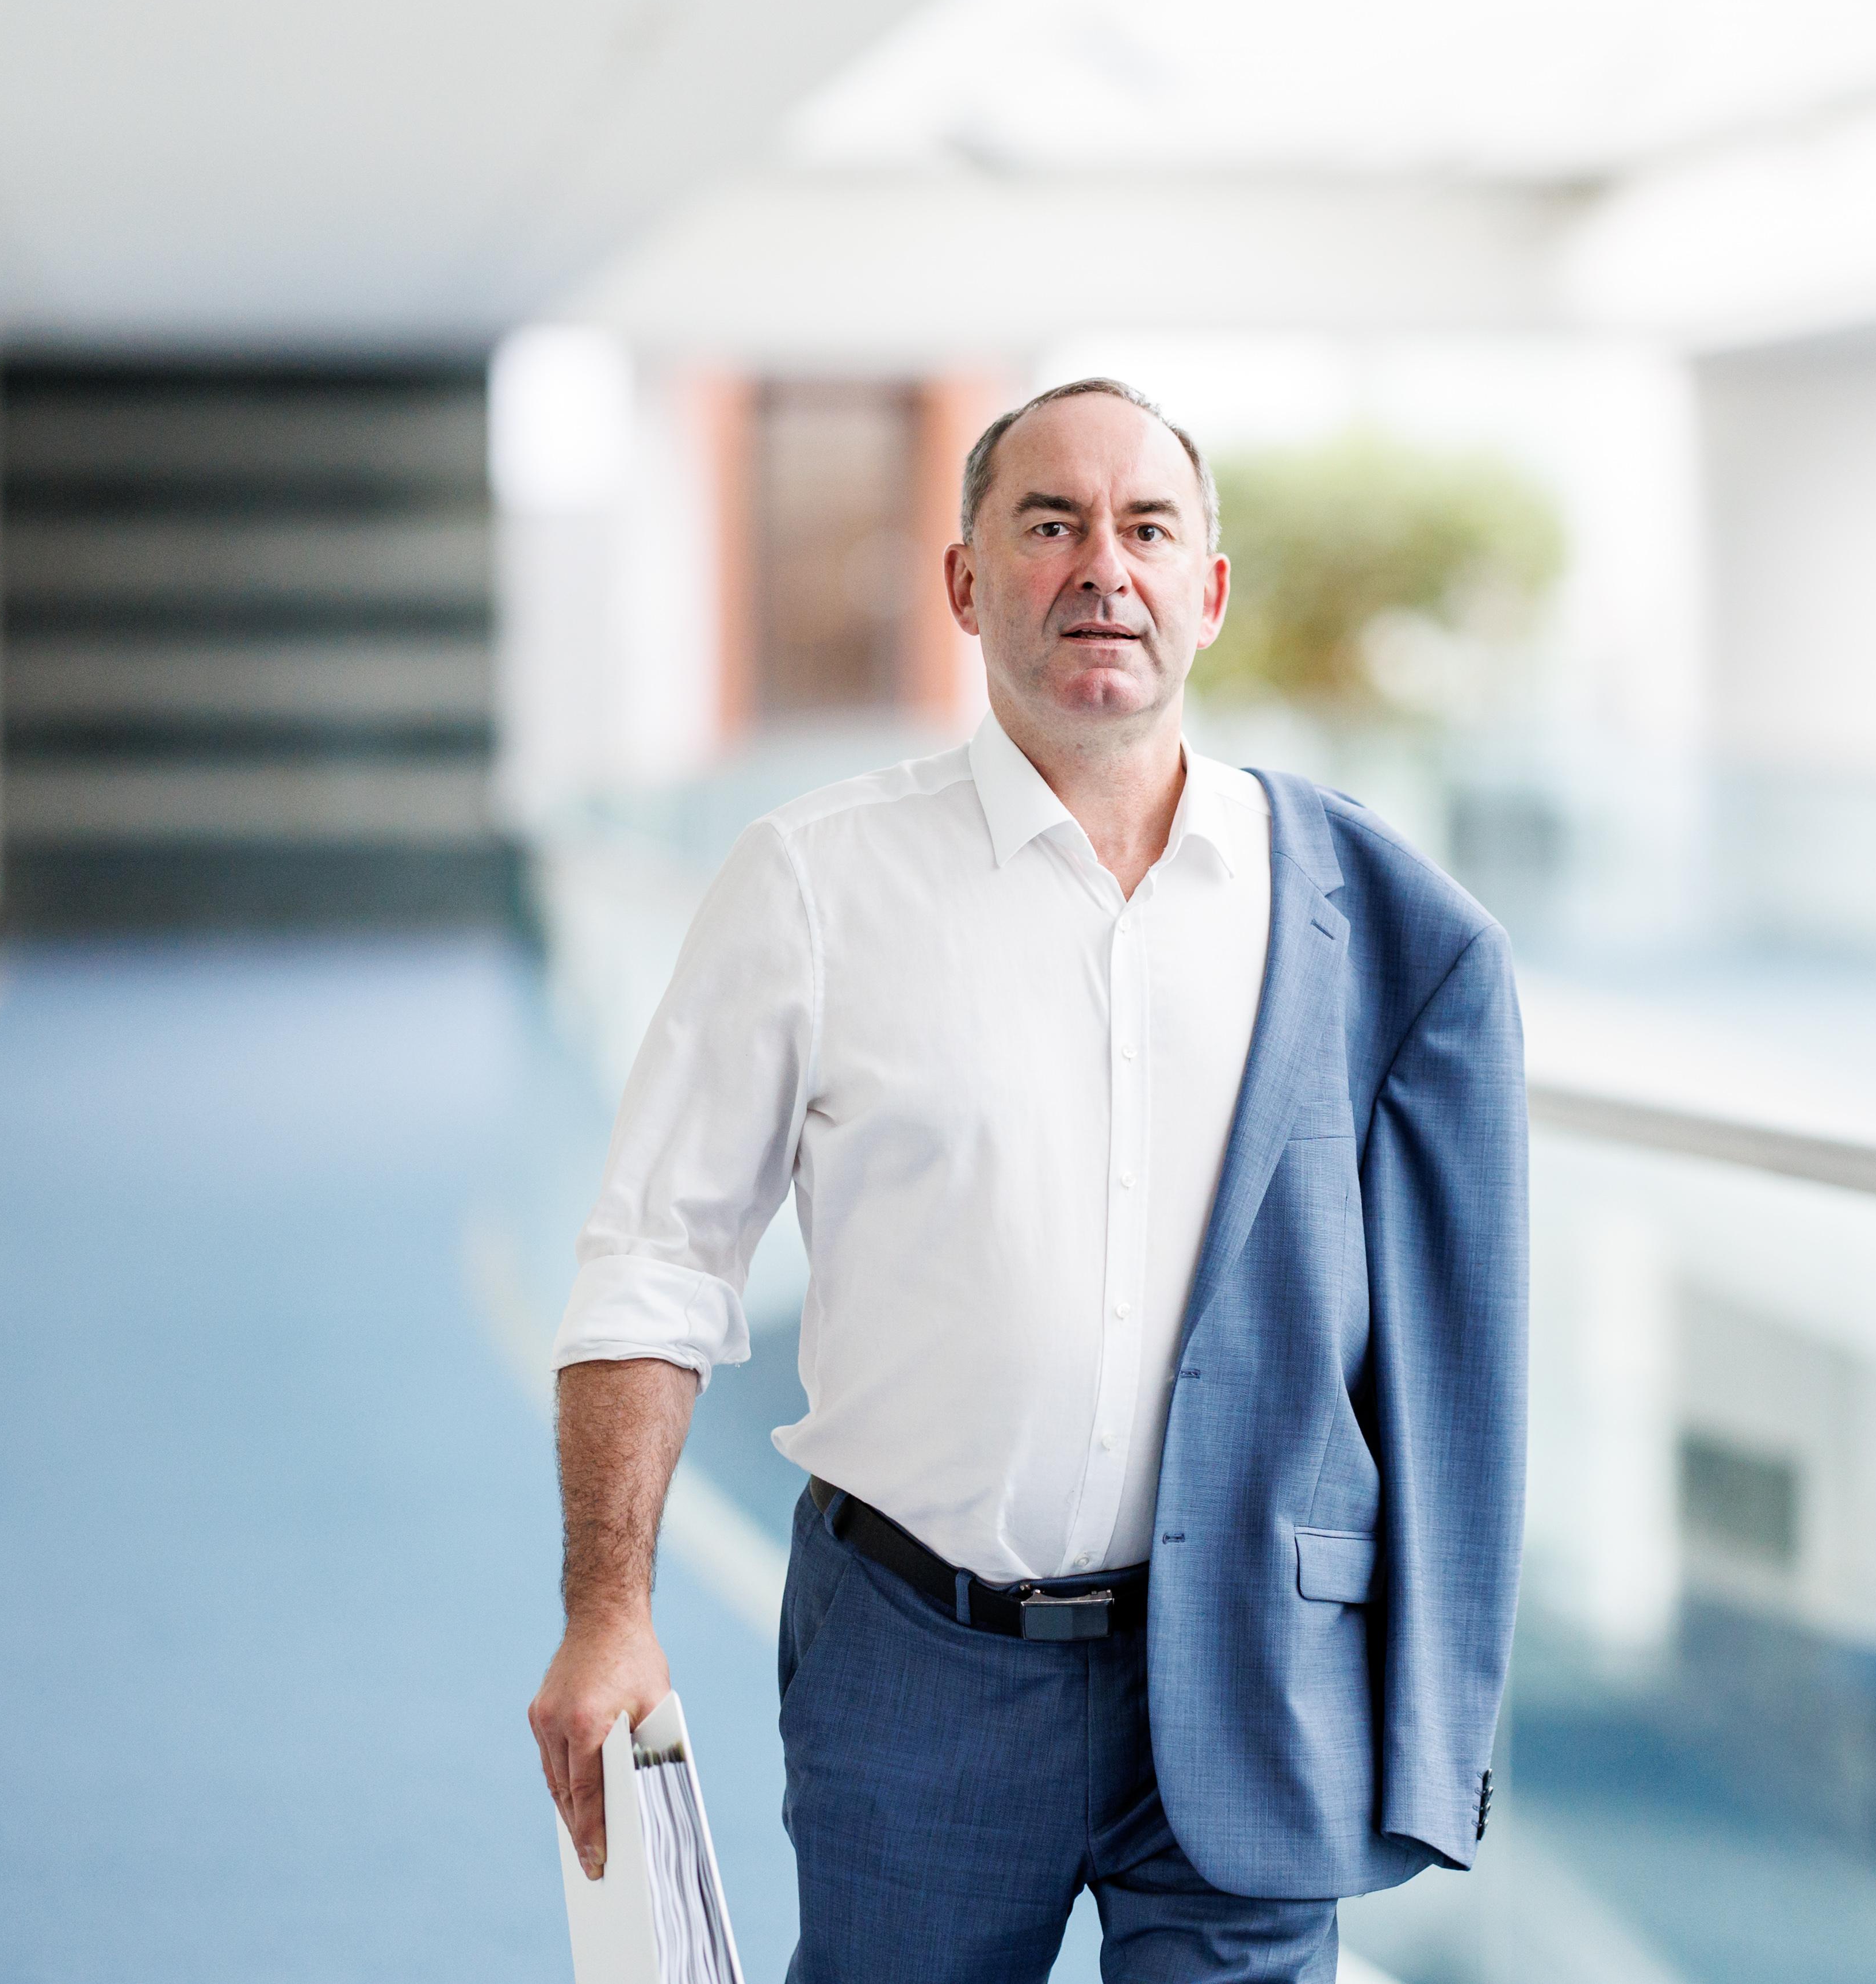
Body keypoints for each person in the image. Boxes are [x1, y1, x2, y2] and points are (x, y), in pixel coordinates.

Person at [526, 378, 1527, 1983]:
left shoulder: (1355, 910)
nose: (1102, 567)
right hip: (918, 1664)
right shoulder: (815, 884)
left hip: (1250, 1672)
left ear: (1209, 590)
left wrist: (1432, 1701)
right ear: (965, 581)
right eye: (1050, 523)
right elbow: (656, 1260)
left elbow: (1451, 1356)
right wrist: (607, 1608)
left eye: (1149, 529)